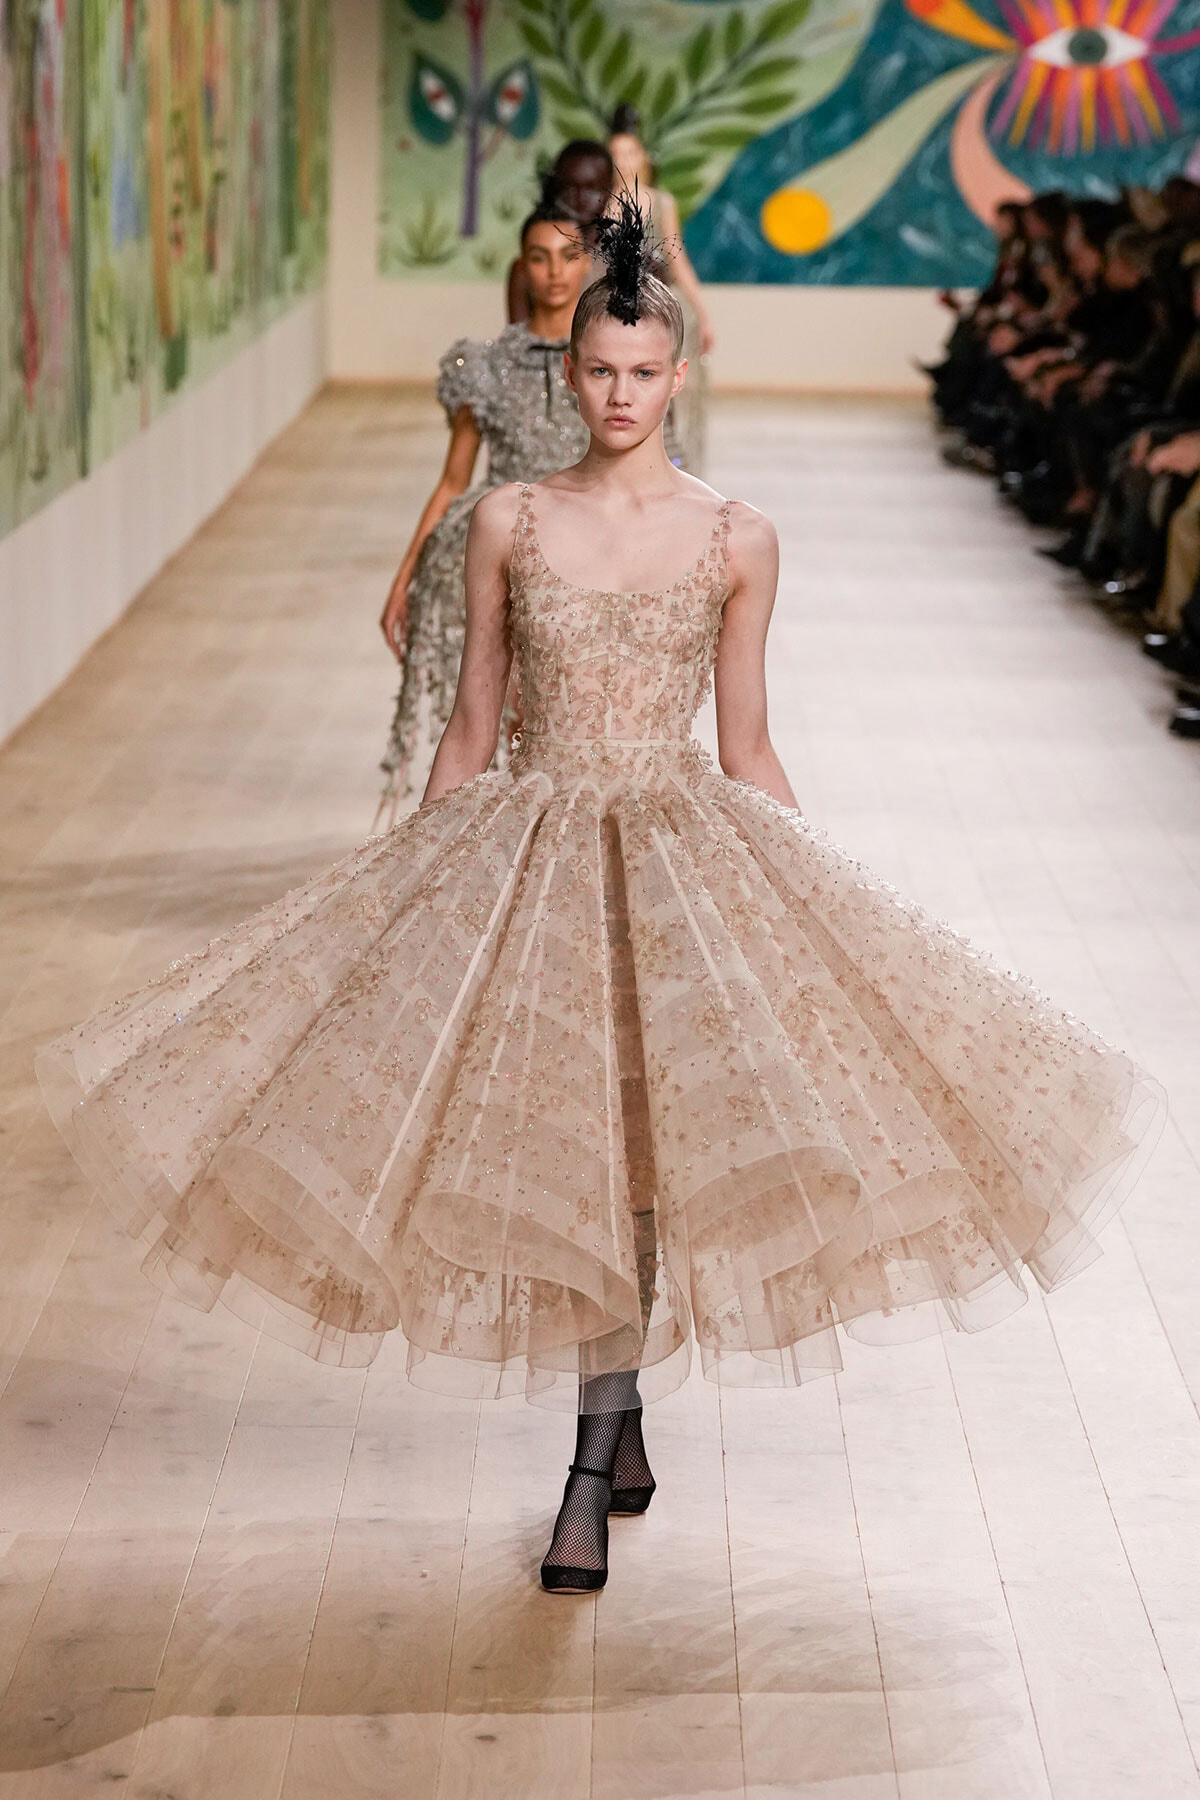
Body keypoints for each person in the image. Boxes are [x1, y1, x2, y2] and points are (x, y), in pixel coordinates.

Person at [39, 201, 1165, 1602]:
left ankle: (589, 1452)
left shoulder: (740, 537)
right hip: (530, 845)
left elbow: (746, 743)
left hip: (682, 840)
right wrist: (408, 905)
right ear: (565, 374)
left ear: (680, 375)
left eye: (645, 371)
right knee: (577, 1135)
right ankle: (609, 1423)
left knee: (646, 1133)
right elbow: (471, 729)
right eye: (598, 370)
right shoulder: (505, 519)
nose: (622, 395)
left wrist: (818, 933)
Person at [376, 198, 592, 821]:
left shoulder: (610, 365)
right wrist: (406, 577)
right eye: (538, 257)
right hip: (501, 548)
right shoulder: (486, 365)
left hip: (586, 548)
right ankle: (518, 837)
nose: (554, 271)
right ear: (521, 268)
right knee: (509, 708)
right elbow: (451, 480)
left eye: (568, 256)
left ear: (587, 266)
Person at [607, 103, 713, 472]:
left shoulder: (660, 201)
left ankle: (668, 465)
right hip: (612, 313)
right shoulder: (599, 207)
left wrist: (702, 311)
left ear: (643, 157)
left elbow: (677, 260)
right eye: (615, 154)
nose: (623, 161)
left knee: (660, 390)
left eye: (630, 152)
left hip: (659, 310)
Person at [506, 139, 614, 326]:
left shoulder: (627, 260)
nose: (580, 199)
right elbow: (519, 342)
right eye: (570, 188)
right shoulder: (526, 267)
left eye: (591, 188)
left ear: (610, 189)